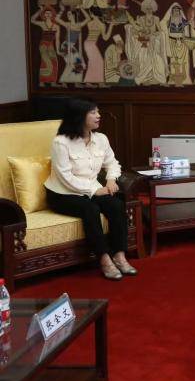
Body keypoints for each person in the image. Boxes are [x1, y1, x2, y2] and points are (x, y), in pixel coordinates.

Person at [43, 98, 136, 281]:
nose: (98, 116)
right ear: (79, 116)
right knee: (90, 209)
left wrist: (111, 180)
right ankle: (104, 259)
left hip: (92, 188)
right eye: (93, 112)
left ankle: (119, 255)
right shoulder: (61, 142)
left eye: (98, 111)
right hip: (62, 193)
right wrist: (94, 191)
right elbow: (65, 177)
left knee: (116, 205)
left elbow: (112, 163)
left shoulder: (101, 139)